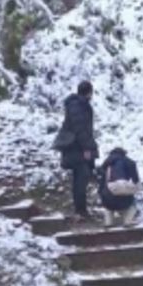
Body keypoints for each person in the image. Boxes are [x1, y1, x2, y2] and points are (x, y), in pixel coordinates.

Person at [53, 80, 97, 219]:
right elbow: (82, 130)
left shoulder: (74, 105)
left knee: (79, 179)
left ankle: (80, 209)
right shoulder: (80, 106)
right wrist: (87, 148)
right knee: (81, 179)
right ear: (89, 92)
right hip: (77, 149)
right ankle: (81, 210)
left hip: (73, 148)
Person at [97, 147, 140, 227]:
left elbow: (101, 185)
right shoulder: (129, 162)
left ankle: (108, 222)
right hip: (124, 197)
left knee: (108, 203)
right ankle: (128, 220)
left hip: (109, 198)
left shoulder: (106, 164)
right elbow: (136, 180)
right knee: (133, 202)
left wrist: (102, 196)